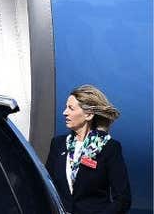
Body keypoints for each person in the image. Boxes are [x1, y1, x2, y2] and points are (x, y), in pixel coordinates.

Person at [44, 85, 131, 213]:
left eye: (71, 108)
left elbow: (123, 199)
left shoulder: (109, 148)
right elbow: (47, 187)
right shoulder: (58, 144)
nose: (64, 112)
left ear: (89, 115)